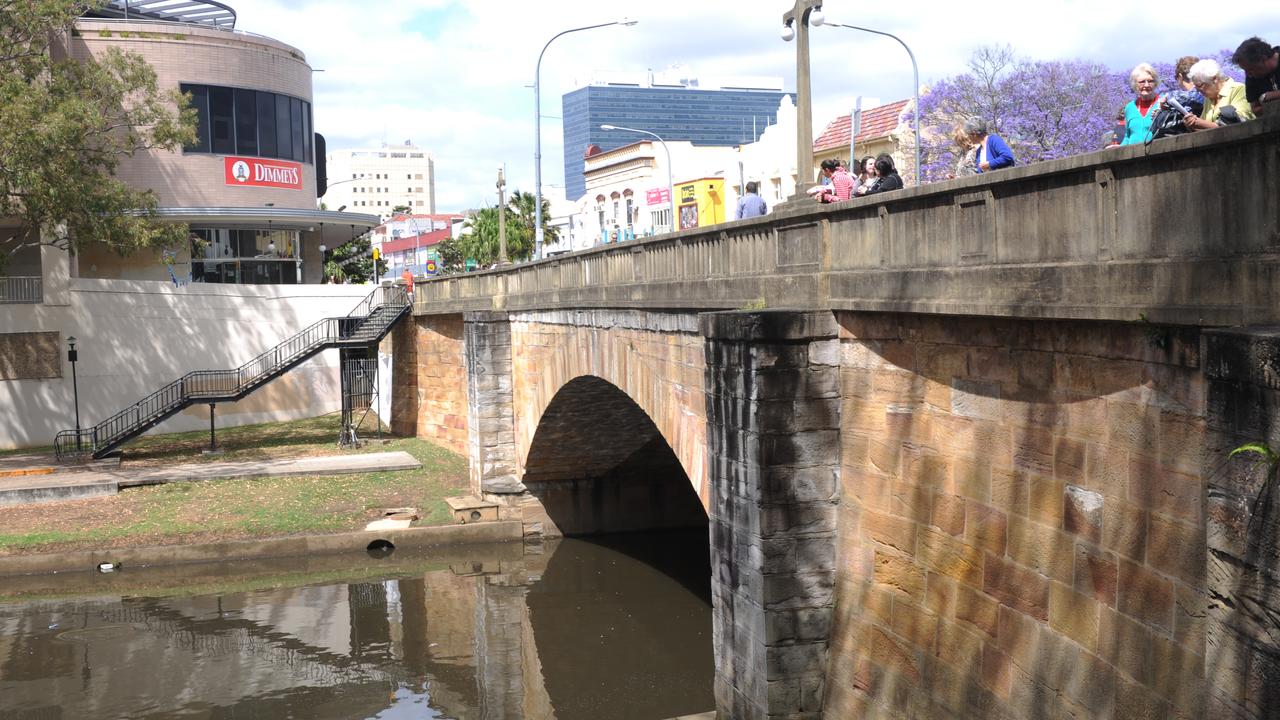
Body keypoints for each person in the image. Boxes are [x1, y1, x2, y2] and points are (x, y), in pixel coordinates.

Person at [1182, 58, 1254, 130]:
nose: (1198, 90)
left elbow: (1236, 123)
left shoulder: (1239, 89)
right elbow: (1204, 128)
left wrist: (1199, 122)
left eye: (1200, 85)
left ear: (1214, 79)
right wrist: (1192, 125)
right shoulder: (1208, 98)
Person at [1232, 37, 1280, 116]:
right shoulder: (1252, 75)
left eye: (1250, 69)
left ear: (1263, 59)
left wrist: (1269, 96)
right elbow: (1255, 109)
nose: (1248, 74)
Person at [1120, 63, 1163, 145]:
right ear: (1135, 84)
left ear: (1156, 83)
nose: (1146, 85)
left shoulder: (1162, 103)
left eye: (1150, 81)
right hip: (1133, 155)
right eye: (1142, 82)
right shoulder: (1130, 107)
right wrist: (1117, 149)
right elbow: (1127, 136)